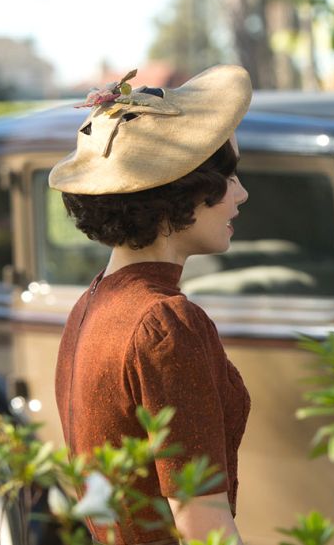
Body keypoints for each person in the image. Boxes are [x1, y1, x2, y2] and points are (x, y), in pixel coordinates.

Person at [51, 65, 253, 544]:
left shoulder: (91, 305)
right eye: (226, 178)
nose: (241, 194)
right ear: (178, 192)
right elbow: (202, 522)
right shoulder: (164, 322)